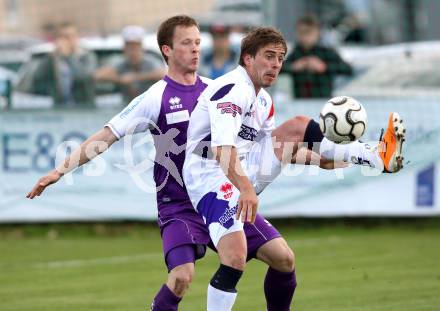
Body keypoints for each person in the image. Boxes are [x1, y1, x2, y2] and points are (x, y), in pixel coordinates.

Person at [27, 16, 299, 311]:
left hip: (221, 195)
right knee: (182, 277)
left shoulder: (219, 89)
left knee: (283, 258)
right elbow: (106, 136)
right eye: (186, 43)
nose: (195, 50)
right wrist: (58, 171)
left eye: (197, 43)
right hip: (179, 204)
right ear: (167, 50)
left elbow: (260, 141)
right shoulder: (155, 97)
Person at [183, 26, 405, 310]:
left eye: (281, 58)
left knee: (283, 260)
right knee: (235, 258)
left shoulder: (262, 101)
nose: (276, 64)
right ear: (248, 59)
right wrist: (248, 190)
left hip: (236, 178)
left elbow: (279, 149)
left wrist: (323, 160)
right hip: (210, 181)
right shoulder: (232, 90)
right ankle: (376, 156)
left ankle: (372, 157)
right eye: (269, 56)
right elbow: (223, 151)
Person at [282, 15, 353, 98]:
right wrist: (294, 67)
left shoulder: (327, 52)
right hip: (301, 104)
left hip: (323, 102)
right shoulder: (296, 53)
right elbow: (278, 69)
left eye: (308, 32)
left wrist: (324, 67)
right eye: (301, 32)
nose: (305, 36)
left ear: (317, 32)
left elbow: (348, 69)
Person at [94, 25, 166, 104]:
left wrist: (136, 77)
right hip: (127, 108)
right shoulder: (121, 64)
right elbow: (98, 75)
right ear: (124, 48)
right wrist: (120, 79)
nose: (132, 51)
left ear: (141, 47)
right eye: (129, 47)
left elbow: (164, 75)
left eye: (135, 47)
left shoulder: (150, 62)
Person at [31, 22, 97, 107]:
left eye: (71, 36)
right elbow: (37, 77)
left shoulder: (87, 56)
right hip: (60, 107)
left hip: (83, 107)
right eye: (64, 37)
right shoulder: (54, 58)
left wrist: (69, 57)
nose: (68, 40)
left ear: (77, 38)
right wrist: (50, 57)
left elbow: (84, 76)